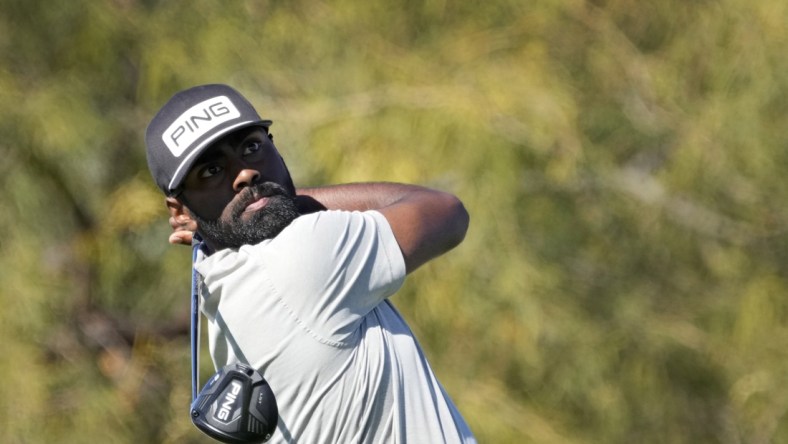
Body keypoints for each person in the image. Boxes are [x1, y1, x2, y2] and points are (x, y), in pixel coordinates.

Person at [145, 84, 474, 443]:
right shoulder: (304, 252)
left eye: (252, 148)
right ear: (180, 210)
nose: (244, 174)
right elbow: (446, 213)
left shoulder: (219, 287)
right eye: (211, 171)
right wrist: (278, 199)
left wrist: (258, 205)